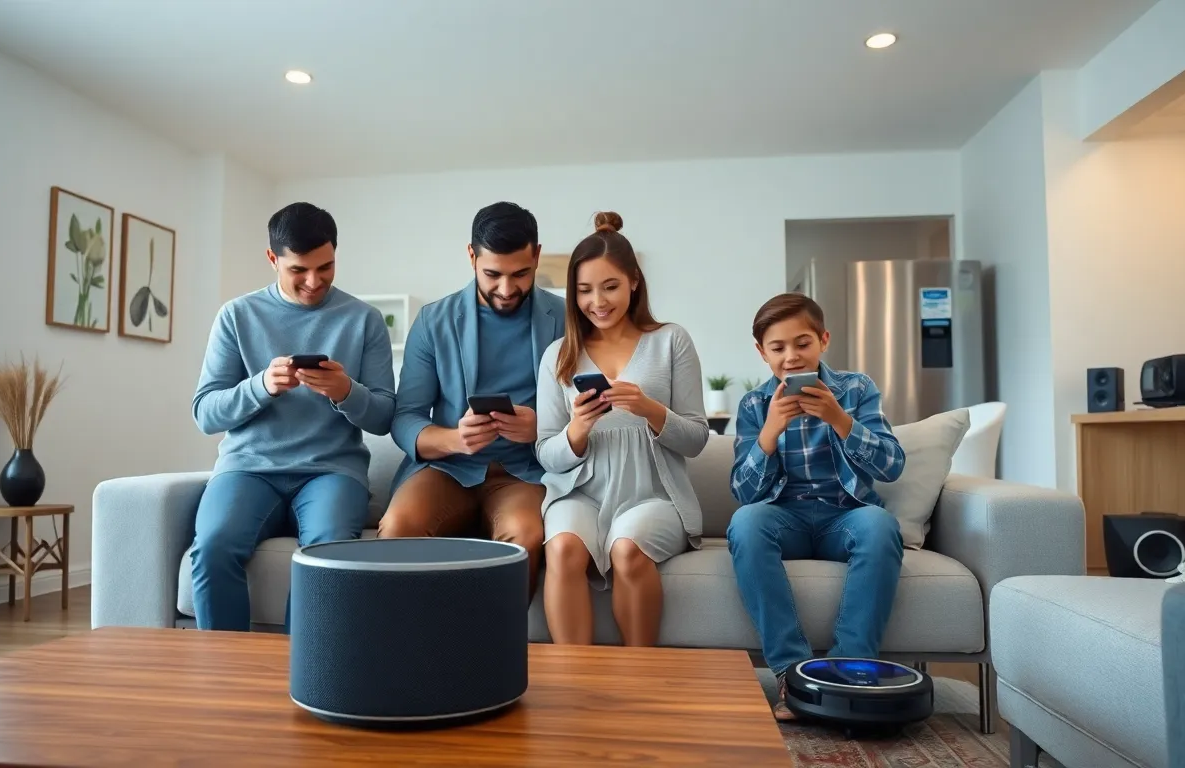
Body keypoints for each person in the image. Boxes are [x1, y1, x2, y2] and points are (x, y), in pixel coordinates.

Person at [189, 202, 396, 632]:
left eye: (326, 267)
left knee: (327, 556)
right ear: (272, 259)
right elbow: (206, 413)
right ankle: (226, 671)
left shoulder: (364, 320)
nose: (314, 281)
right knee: (212, 546)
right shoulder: (237, 316)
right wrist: (262, 385)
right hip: (248, 469)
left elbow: (383, 417)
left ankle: (301, 671)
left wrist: (346, 391)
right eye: (299, 270)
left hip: (331, 471)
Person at [726, 292, 906, 720]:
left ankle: (848, 674)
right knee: (746, 523)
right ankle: (793, 677)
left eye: (802, 343)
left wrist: (840, 420)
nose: (791, 357)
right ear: (762, 353)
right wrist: (769, 432)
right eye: (778, 347)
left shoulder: (857, 389)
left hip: (845, 518)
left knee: (881, 525)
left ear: (823, 340)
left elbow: (892, 466)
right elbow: (744, 493)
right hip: (782, 519)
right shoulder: (754, 405)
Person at [535, 212, 709, 646]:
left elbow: (697, 438)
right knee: (561, 548)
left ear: (634, 281)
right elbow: (545, 452)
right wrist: (577, 429)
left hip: (654, 494)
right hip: (580, 492)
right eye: (584, 290)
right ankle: (575, 685)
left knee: (626, 548)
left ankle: (639, 677)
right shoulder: (558, 356)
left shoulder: (671, 341)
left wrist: (649, 409)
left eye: (610, 286)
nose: (598, 301)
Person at [379, 201, 565, 592]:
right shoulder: (434, 321)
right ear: (471, 256)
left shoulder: (566, 319)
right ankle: (404, 650)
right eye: (492, 274)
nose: (506, 288)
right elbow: (405, 416)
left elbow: (585, 409)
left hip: (525, 473)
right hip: (448, 468)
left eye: (521, 274)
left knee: (524, 536)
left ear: (537, 255)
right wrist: (454, 438)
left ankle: (493, 651)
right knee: (397, 528)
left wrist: (541, 426)